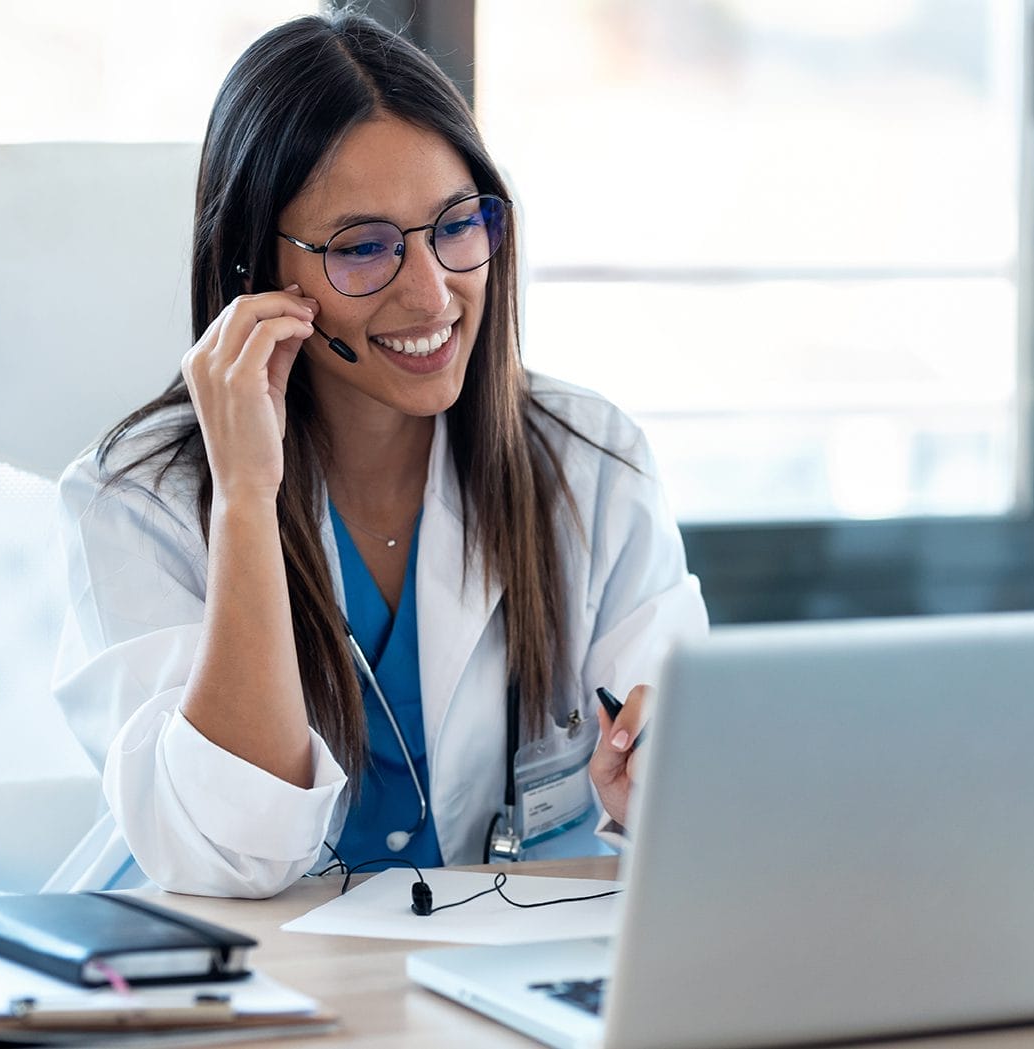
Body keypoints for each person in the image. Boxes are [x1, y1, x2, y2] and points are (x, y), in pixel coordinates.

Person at [46, 11, 708, 898]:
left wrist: (660, 791)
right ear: (254, 270)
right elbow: (233, 855)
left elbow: (696, 792)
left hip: (494, 976)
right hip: (239, 990)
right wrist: (246, 493)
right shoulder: (137, 499)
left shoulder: (591, 463)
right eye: (363, 248)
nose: (432, 293)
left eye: (456, 225)